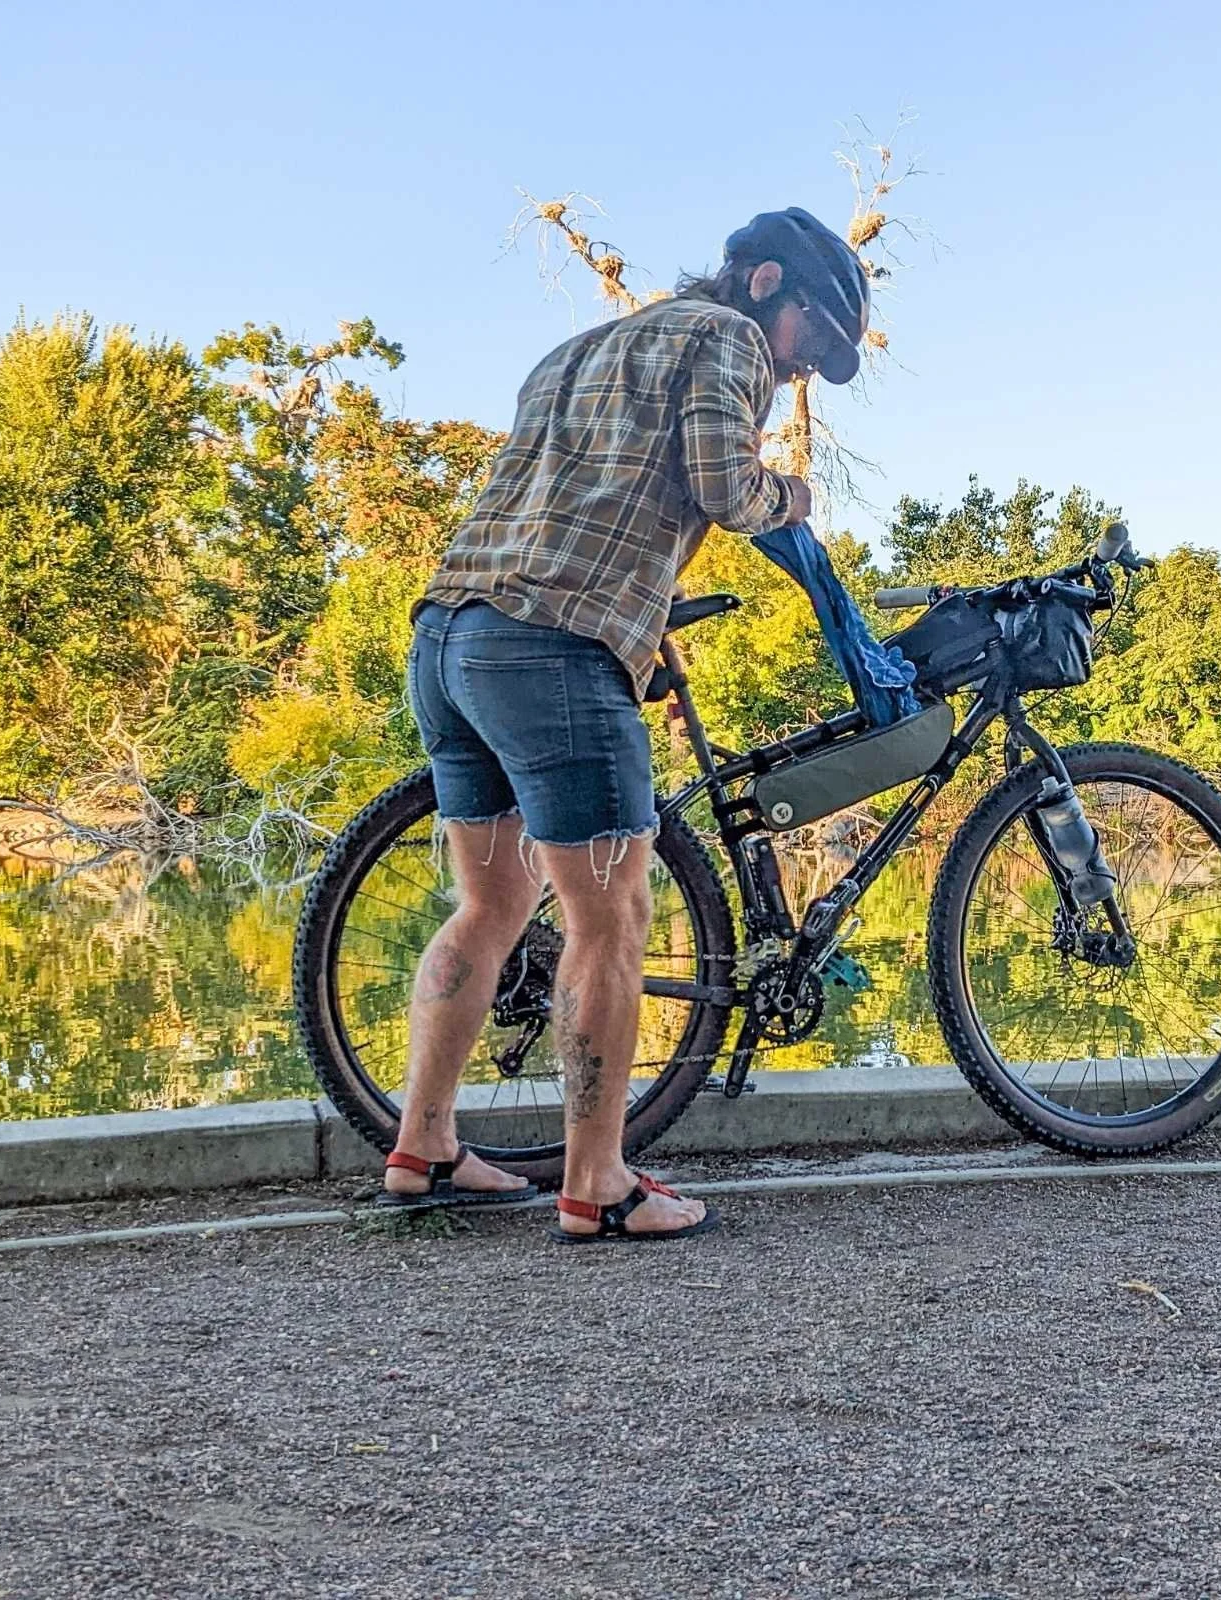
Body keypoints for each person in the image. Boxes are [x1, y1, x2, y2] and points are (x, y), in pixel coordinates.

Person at [382, 207, 871, 1242]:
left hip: (451, 637)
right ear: (763, 281)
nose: (799, 371)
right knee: (613, 921)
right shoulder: (727, 337)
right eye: (811, 339)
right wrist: (795, 491)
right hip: (551, 647)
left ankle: (422, 1144)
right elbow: (722, 488)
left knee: (491, 904)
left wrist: (636, 624)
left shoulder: (579, 349)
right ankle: (596, 1181)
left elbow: (579, 504)